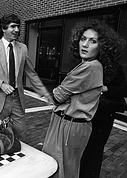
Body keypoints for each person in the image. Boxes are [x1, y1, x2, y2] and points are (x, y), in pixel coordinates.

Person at [42, 19, 120, 178]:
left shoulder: (90, 67)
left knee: (58, 169)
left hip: (69, 125)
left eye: (93, 41)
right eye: (83, 39)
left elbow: (57, 96)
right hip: (72, 124)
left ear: (102, 47)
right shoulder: (90, 65)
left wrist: (60, 92)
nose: (85, 44)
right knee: (66, 168)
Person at [0, 13, 53, 142]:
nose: (17, 30)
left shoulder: (22, 48)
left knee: (21, 133)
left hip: (17, 98)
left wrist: (44, 92)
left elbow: (31, 73)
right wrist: (1, 84)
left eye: (18, 26)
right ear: (4, 28)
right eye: (13, 26)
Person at [79, 39, 127, 177]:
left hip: (102, 117)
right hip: (84, 115)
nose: (87, 45)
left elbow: (126, 90)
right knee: (81, 152)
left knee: (94, 152)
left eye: (94, 42)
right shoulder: (86, 64)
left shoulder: (113, 68)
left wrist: (106, 88)